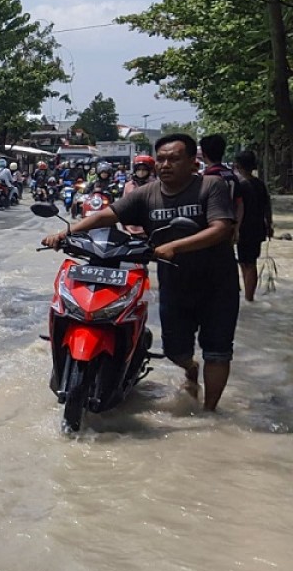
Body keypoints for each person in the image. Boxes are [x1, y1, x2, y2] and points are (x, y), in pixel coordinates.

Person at [42, 133, 237, 412]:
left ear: (193, 162)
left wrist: (173, 247)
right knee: (175, 351)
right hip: (174, 284)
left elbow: (222, 228)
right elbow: (108, 215)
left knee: (217, 352)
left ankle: (209, 414)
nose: (165, 164)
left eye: (174, 158)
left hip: (217, 285)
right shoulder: (147, 193)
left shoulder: (210, 186)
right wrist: (65, 233)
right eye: (162, 159)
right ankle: (191, 368)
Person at [233, 149, 274, 302]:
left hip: (244, 229)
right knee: (249, 262)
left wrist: (234, 229)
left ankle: (249, 297)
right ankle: (249, 297)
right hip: (258, 228)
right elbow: (267, 207)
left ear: (238, 165)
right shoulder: (260, 184)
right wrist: (269, 225)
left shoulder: (240, 185)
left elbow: (237, 209)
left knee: (246, 263)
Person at [199, 133, 243, 227]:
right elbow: (239, 203)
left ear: (203, 154)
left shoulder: (207, 177)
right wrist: (237, 228)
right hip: (230, 223)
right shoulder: (231, 174)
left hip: (211, 225)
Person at [121, 154, 156, 236]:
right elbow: (123, 206)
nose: (141, 172)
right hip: (132, 229)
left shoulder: (155, 185)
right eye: (139, 169)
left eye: (144, 169)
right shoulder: (128, 185)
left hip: (151, 228)